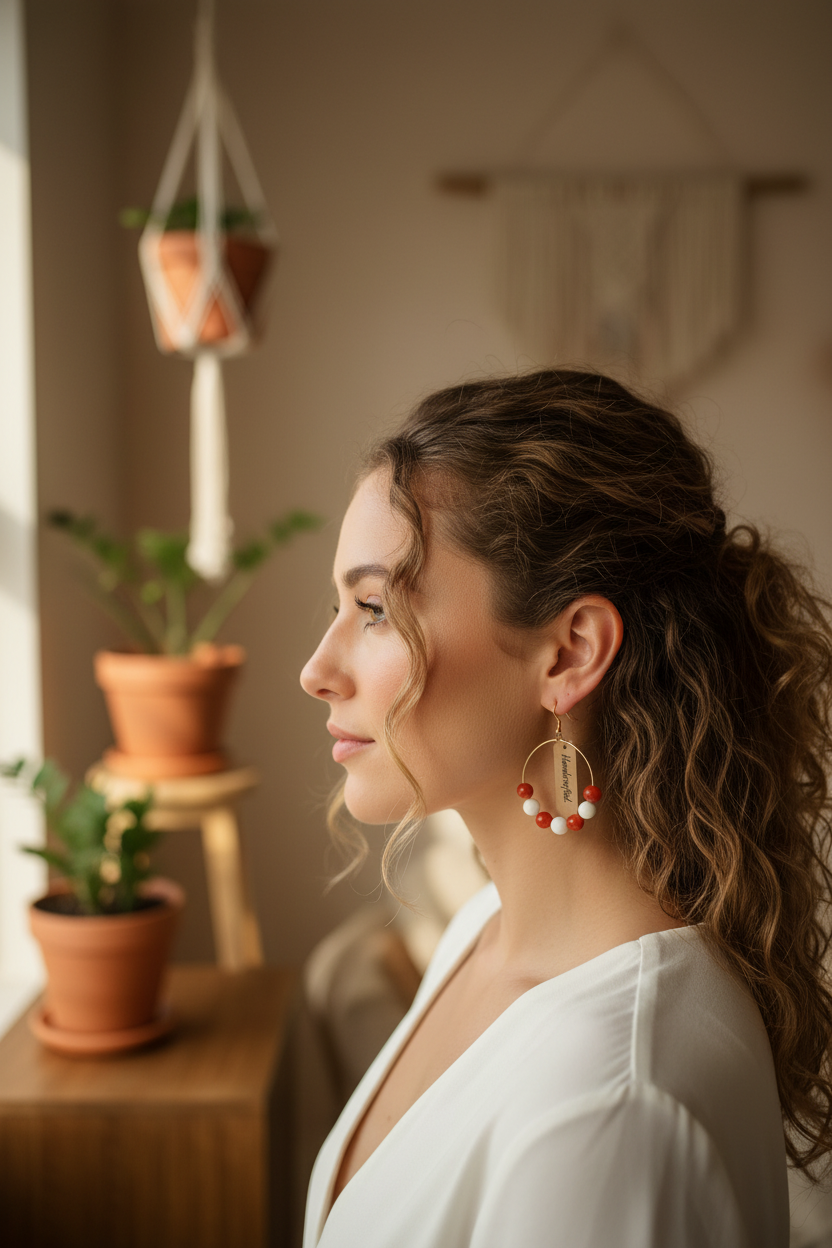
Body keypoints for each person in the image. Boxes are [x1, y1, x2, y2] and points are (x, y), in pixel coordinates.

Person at [299, 369, 832, 1247]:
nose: (317, 669)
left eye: (375, 609)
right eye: (340, 605)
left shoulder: (611, 1105)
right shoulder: (484, 931)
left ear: (569, 652)